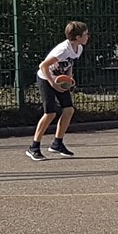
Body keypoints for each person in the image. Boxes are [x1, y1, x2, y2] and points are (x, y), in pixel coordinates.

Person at [28, 20, 89, 160]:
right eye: (85, 34)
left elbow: (70, 63)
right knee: (50, 113)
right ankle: (34, 147)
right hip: (45, 78)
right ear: (78, 37)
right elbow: (43, 66)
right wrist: (53, 84)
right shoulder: (62, 49)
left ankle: (57, 143)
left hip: (58, 80)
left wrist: (68, 77)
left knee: (69, 109)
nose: (88, 36)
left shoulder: (78, 48)